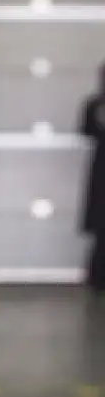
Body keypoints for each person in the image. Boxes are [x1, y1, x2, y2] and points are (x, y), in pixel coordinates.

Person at [81, 63, 105, 292]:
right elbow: (86, 130)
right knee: (101, 226)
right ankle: (97, 278)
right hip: (101, 167)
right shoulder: (94, 105)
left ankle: (96, 278)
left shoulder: (94, 104)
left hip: (100, 166)